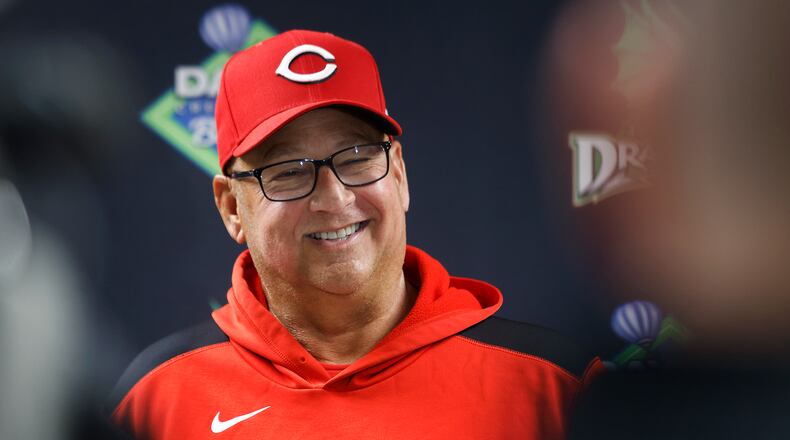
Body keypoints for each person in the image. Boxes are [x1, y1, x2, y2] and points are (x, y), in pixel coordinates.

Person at [109, 29, 603, 439]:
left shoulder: (554, 386)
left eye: (358, 157)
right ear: (231, 207)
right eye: (289, 170)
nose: (334, 198)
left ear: (401, 176)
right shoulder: (156, 398)